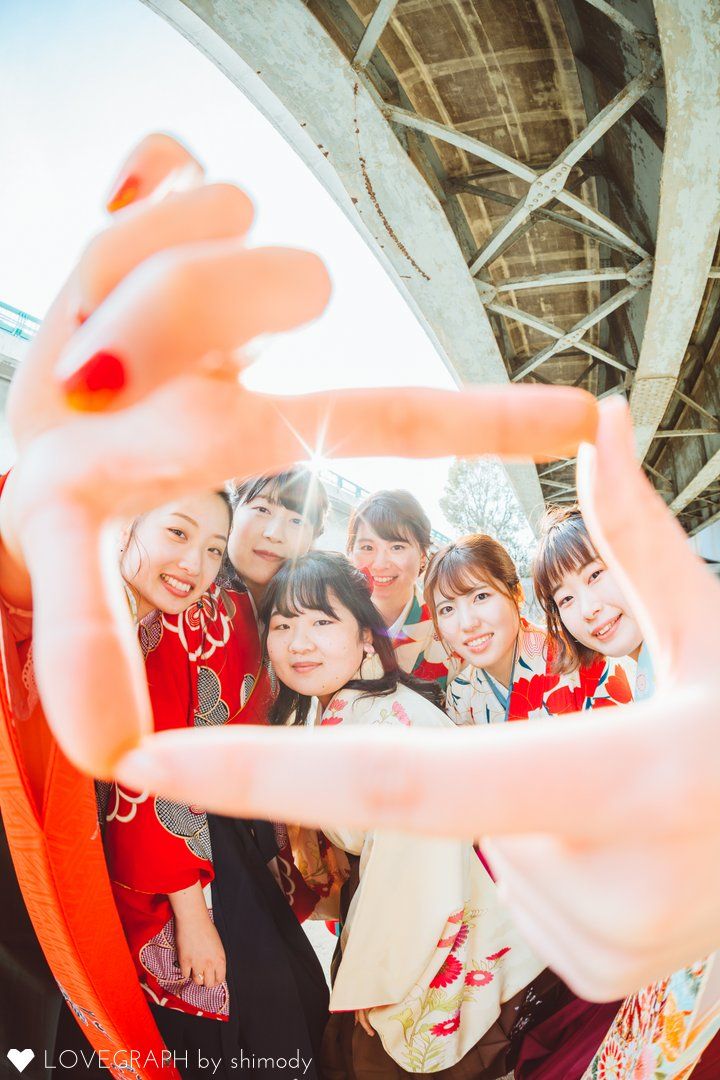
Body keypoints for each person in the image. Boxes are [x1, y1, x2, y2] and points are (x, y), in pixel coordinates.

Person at [9, 132, 718, 1042]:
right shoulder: (167, 610)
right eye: (189, 530)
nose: (213, 554)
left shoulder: (407, 678)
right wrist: (43, 513)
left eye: (285, 526)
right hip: (161, 859)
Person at [263, 550, 560, 1079]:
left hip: (446, 927)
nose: (299, 642)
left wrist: (379, 979)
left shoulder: (387, 727)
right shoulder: (353, 708)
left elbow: (417, 868)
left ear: (364, 638)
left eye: (321, 622)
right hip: (441, 910)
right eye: (283, 624)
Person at [103, 473, 330, 1079]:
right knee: (255, 1014)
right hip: (179, 835)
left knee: (295, 994)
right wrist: (192, 912)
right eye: (262, 509)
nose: (277, 532)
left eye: (298, 519)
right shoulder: (190, 606)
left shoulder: (279, 611)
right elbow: (154, 766)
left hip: (227, 827)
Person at [347, 490, 459, 687]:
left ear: (423, 556)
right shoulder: (329, 619)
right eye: (367, 547)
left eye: (397, 547)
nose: (380, 564)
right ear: (350, 553)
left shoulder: (452, 631)